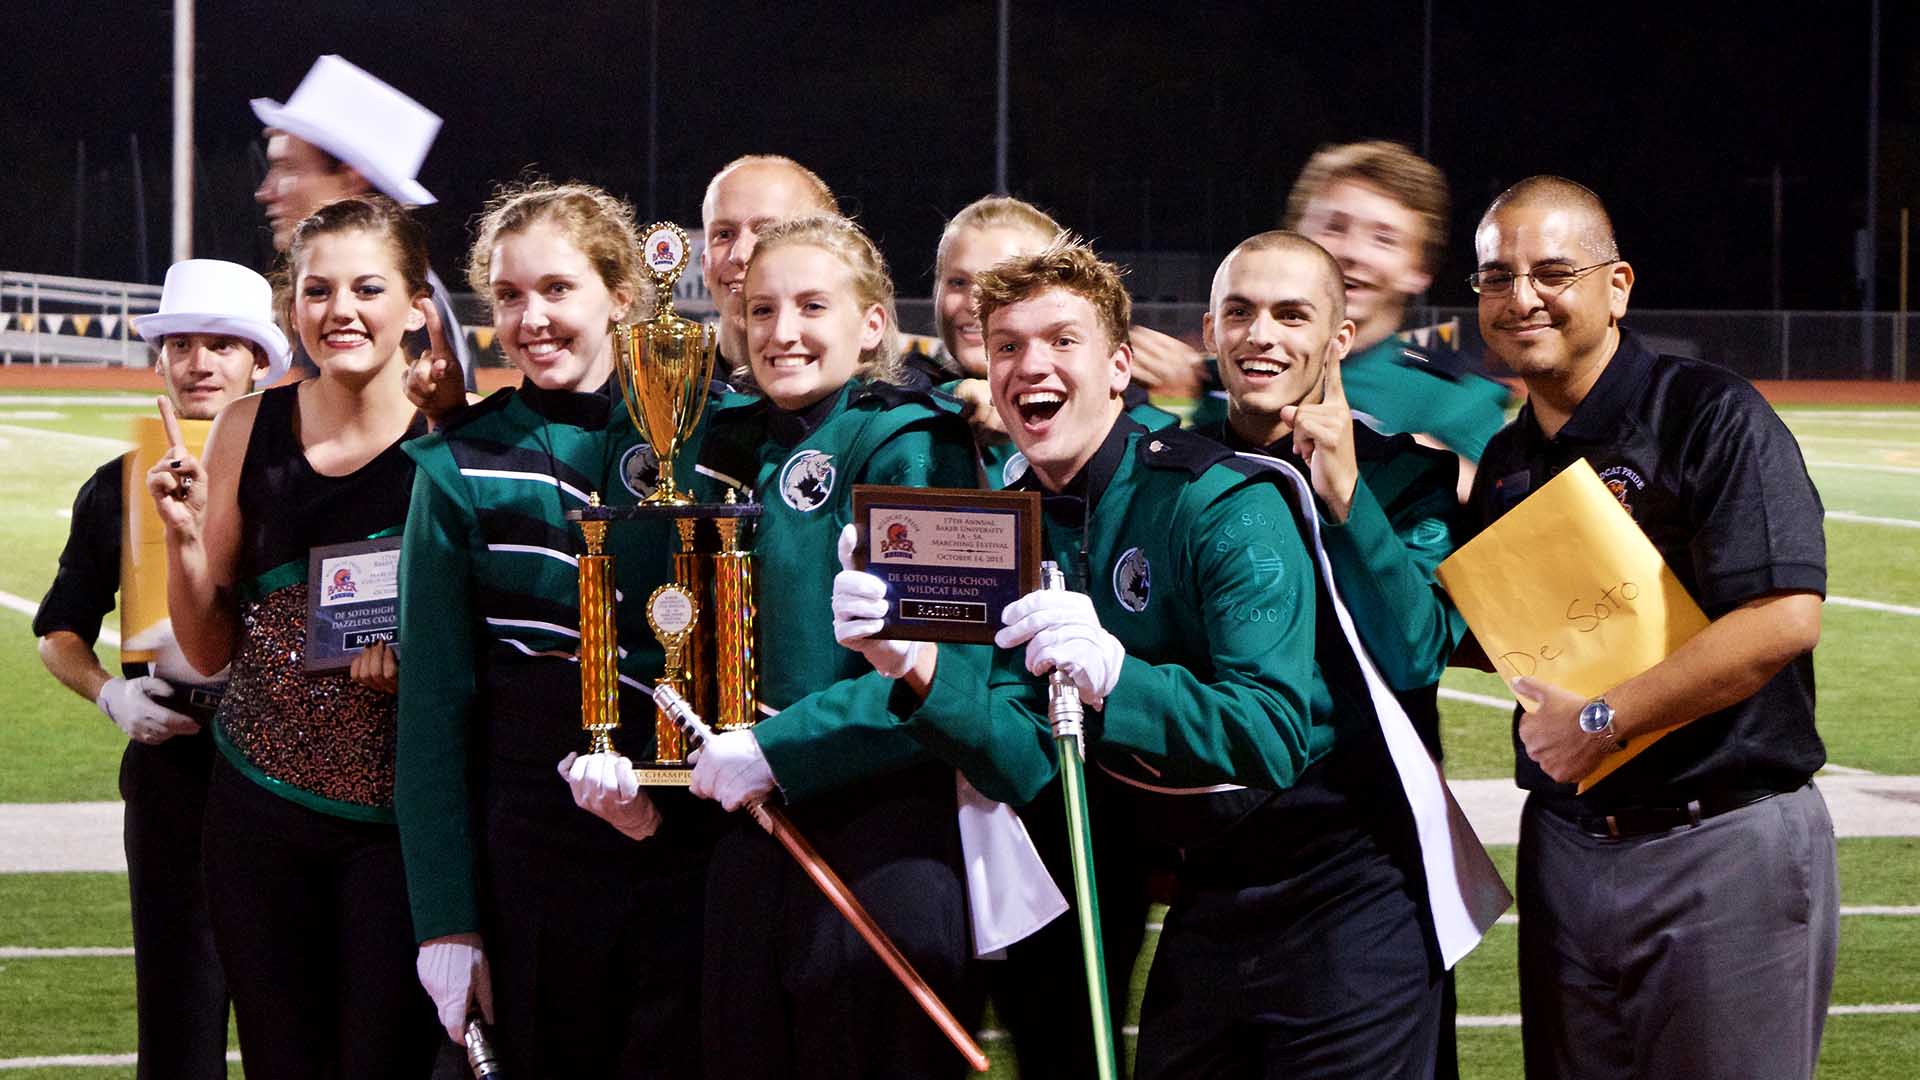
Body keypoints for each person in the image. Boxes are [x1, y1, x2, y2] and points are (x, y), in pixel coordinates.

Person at [1464, 176, 1834, 1080]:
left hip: (1719, 839)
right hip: (1571, 846)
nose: (1522, 297)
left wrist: (1600, 720)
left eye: (1553, 271)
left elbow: (1783, 617)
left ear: (1617, 284)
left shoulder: (1709, 412)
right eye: (1495, 276)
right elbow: (1506, 636)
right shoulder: (1512, 457)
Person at [394, 180, 723, 1079]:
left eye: (556, 290)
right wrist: (447, 920)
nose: (530, 317)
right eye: (507, 296)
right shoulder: (460, 461)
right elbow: (431, 714)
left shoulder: (707, 430)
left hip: (694, 842)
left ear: (622, 296)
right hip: (533, 857)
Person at [648, 213, 982, 1078]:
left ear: (873, 324)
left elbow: (943, 672)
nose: (781, 332)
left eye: (810, 306)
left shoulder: (914, 440)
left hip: (881, 831)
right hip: (748, 831)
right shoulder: (728, 440)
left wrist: (777, 745)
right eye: (761, 311)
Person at [146, 195, 439, 1078]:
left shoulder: (452, 437)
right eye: (317, 291)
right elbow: (209, 650)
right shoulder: (248, 426)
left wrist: (420, 677)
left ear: (417, 306)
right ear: (291, 308)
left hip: (399, 824)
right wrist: (186, 540)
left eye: (367, 288)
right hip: (258, 815)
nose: (339, 311)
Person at [33, 258, 285, 1080]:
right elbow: (58, 630)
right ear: (160, 361)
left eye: (223, 344)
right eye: (182, 344)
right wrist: (111, 696)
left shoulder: (303, 476)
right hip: (175, 763)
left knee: (299, 1020)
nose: (200, 362)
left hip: (294, 767)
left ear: (261, 362)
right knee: (177, 1025)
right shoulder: (116, 484)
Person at [252, 53, 475, 389]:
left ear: (352, 179)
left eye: (288, 168)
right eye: (318, 291)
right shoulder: (402, 285)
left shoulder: (405, 308)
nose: (265, 192)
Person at [933, 195, 1176, 489]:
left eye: (1005, 281)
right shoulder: (909, 410)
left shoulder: (1140, 435)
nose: (976, 303)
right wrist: (952, 395)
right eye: (958, 282)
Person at [700, 154, 841, 374]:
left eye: (768, 232)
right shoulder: (665, 396)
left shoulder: (876, 404)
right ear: (704, 264)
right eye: (724, 234)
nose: (739, 254)